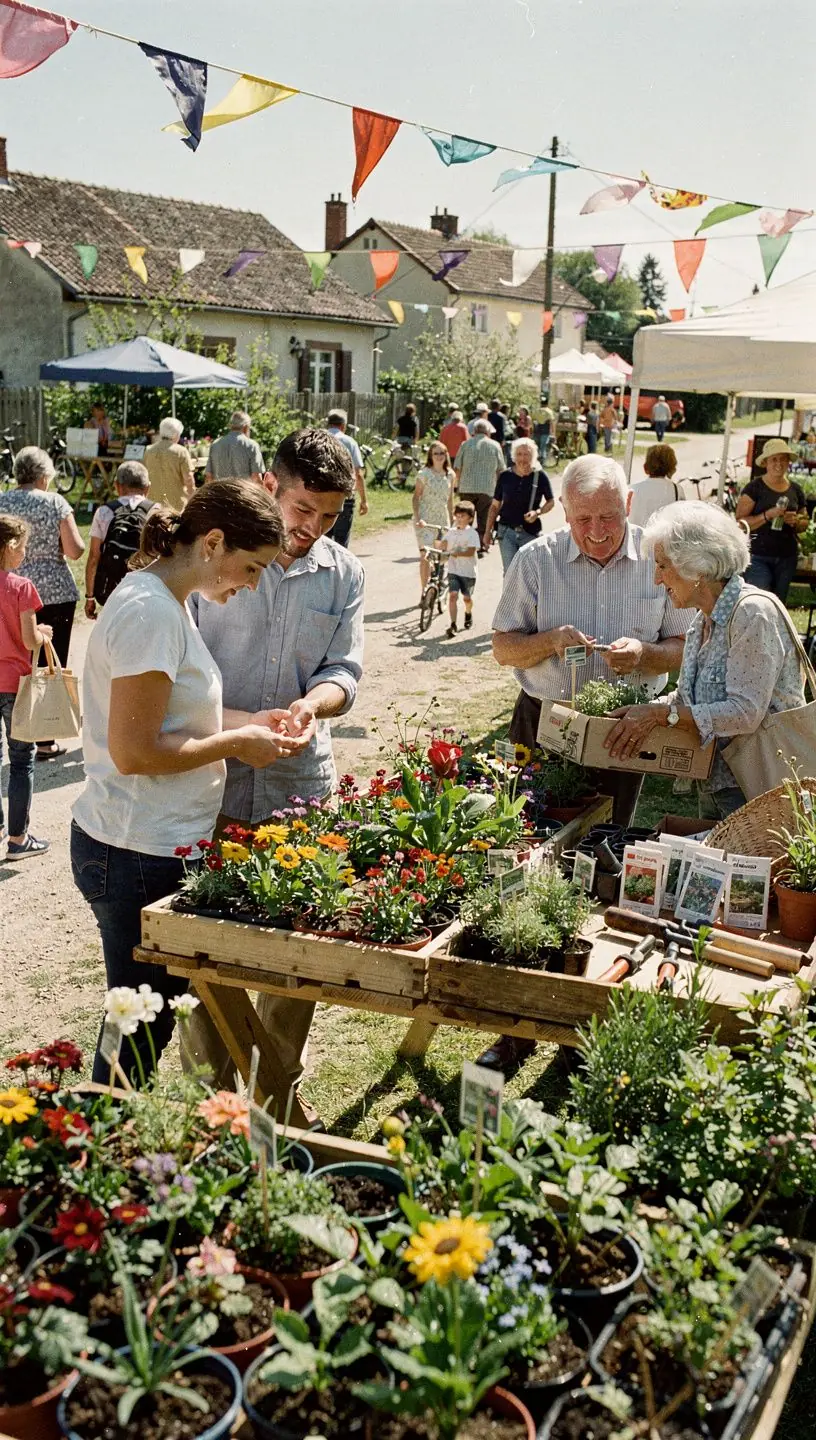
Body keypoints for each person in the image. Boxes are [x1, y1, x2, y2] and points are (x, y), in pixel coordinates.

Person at [71, 480, 299, 1086]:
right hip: (134, 849)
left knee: (138, 1015)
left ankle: (102, 1137)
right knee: (139, 1024)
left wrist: (251, 722)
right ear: (213, 542)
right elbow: (135, 750)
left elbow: (171, 717)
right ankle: (99, 1145)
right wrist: (238, 745)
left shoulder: (164, 603)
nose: (251, 585)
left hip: (144, 843)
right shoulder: (150, 612)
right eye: (250, 568)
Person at [485, 456, 693, 1074]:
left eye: (607, 518)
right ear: (564, 513)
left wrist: (648, 653)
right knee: (526, 865)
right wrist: (550, 640)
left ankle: (580, 1020)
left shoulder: (659, 559)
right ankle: (516, 1024)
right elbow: (502, 646)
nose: (597, 532)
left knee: (601, 869)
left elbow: (686, 643)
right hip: (544, 724)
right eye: (582, 521)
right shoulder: (537, 559)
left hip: (622, 734)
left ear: (629, 505)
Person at [183, 429, 365, 1116]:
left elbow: (344, 670)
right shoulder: (216, 557)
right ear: (269, 486)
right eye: (301, 509)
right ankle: (214, 1096)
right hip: (216, 775)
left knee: (299, 950)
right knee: (209, 943)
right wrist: (242, 722)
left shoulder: (344, 572)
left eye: (328, 514)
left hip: (300, 781)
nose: (311, 527)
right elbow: (178, 682)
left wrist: (313, 705)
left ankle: (277, 1094)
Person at [606, 501, 806, 820]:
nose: (657, 579)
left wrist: (660, 715)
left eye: (662, 566)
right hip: (717, 782)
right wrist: (640, 712)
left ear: (696, 568)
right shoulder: (702, 621)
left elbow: (745, 713)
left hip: (758, 787)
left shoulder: (752, 614)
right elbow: (688, 699)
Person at [0, 446, 84, 760]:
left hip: (9, 588)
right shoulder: (55, 502)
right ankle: (45, 738)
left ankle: (15, 728)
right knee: (50, 663)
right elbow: (75, 550)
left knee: (15, 659)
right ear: (43, 476)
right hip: (55, 593)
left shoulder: (3, 500)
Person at [0, 515, 53, 859]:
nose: (26, 552)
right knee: (21, 760)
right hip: (16, 685)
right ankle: (18, 839)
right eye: (24, 545)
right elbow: (30, 639)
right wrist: (44, 634)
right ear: (10, 546)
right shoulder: (21, 587)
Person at [735, 438, 808, 602]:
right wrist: (768, 515)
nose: (779, 463)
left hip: (786, 557)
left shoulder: (796, 490)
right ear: (765, 462)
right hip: (757, 555)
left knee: (778, 604)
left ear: (788, 462)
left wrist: (796, 521)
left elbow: (805, 522)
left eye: (783, 459)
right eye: (774, 459)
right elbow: (740, 523)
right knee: (759, 602)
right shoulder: (755, 487)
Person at [84, 462, 155, 619]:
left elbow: (94, 557)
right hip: (147, 591)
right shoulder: (157, 512)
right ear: (147, 487)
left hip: (113, 591)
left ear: (117, 486)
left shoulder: (104, 512)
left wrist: (90, 597)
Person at [483, 438, 554, 572]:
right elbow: (494, 506)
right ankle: (510, 594)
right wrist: (487, 532)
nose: (523, 458)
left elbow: (551, 502)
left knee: (531, 572)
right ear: (514, 456)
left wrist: (537, 512)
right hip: (506, 532)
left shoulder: (539, 476)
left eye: (526, 454)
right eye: (519, 454)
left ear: (533, 456)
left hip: (530, 532)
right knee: (510, 572)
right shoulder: (505, 476)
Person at [453, 419, 505, 550]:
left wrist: (456, 484)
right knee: (484, 518)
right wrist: (500, 489)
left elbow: (457, 467)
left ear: (474, 431)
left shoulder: (465, 444)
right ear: (488, 432)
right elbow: (501, 469)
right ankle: (482, 544)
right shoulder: (495, 446)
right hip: (487, 488)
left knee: (464, 516)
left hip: (466, 487)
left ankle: (464, 543)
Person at [413, 441, 454, 594]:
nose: (439, 456)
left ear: (446, 455)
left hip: (442, 519)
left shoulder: (450, 475)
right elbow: (416, 497)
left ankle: (438, 582)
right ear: (430, 455)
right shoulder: (424, 474)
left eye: (442, 453)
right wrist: (418, 518)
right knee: (425, 554)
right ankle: (424, 591)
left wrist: (453, 521)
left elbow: (450, 500)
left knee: (441, 555)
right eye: (436, 453)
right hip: (425, 519)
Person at [325, 409, 369, 549]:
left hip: (321, 496)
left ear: (328, 424)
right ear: (343, 426)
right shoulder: (349, 442)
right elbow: (358, 474)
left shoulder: (320, 439)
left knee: (322, 540)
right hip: (344, 496)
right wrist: (364, 500)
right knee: (341, 542)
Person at [441, 500, 479, 637]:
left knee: (467, 598)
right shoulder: (451, 532)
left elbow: (470, 552)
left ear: (470, 518)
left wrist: (456, 552)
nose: (459, 519)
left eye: (462, 516)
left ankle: (468, 612)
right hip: (453, 571)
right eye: (457, 516)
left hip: (468, 573)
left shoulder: (472, 534)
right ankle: (453, 624)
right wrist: (438, 546)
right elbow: (443, 544)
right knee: (453, 595)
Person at [144, 417, 195, 509]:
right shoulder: (181, 451)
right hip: (175, 503)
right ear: (175, 434)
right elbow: (188, 478)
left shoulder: (149, 450)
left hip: (153, 502)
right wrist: (192, 496)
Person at [628, 443, 679, 528]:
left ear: (645, 467)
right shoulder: (677, 489)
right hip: (664, 539)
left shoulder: (632, 489)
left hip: (636, 538)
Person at [205, 410, 264, 483]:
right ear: (245, 427)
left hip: (220, 492)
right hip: (243, 493)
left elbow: (209, 476)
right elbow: (256, 477)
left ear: (231, 426)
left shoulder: (215, 444)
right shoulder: (252, 445)